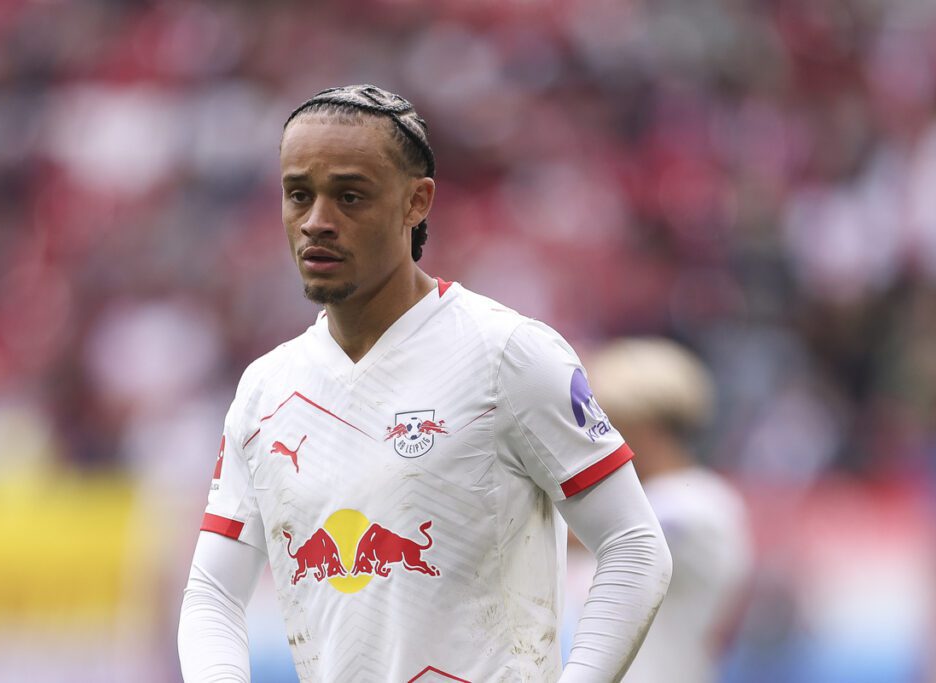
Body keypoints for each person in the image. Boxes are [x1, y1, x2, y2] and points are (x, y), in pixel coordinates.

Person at [178, 84, 672, 683]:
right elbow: (211, 591)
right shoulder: (266, 389)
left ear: (417, 202)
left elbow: (634, 547)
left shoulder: (509, 354)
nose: (317, 222)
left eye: (350, 196)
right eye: (298, 195)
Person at [586, 338, 753, 683]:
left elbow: (608, 533)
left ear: (647, 427)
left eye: (610, 423)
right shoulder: (670, 499)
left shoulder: (698, 503)